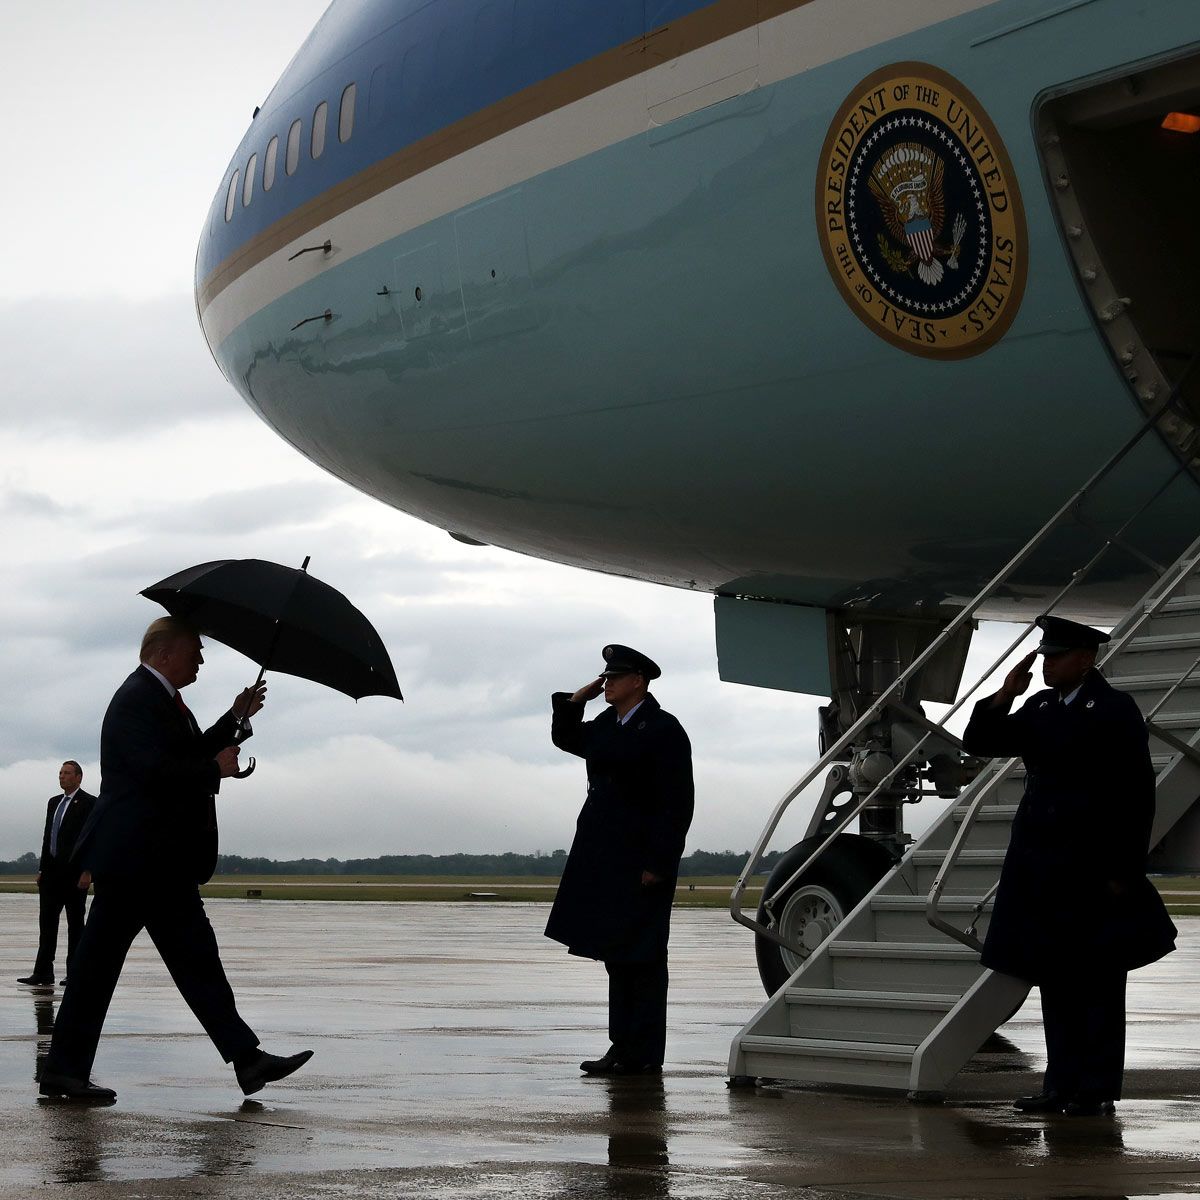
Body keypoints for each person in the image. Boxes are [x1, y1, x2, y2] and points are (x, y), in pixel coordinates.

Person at [39, 616, 313, 1102]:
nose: (201, 660)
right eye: (195, 652)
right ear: (163, 654)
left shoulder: (159, 700)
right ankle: (66, 1070)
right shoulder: (136, 699)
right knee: (116, 968)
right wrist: (213, 769)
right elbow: (151, 771)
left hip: (153, 860)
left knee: (187, 963)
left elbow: (184, 752)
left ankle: (246, 1060)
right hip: (139, 859)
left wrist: (236, 717)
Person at [963, 614, 1176, 1117]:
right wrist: (1004, 696)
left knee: (1099, 982)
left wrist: (1123, 870)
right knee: (1055, 980)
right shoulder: (1038, 706)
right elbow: (981, 742)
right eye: (1043, 657)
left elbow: (1135, 794)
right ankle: (1060, 1085)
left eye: (1054, 657)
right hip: (1042, 869)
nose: (1045, 665)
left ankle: (1095, 1089)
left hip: (1092, 868)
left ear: (1085, 658)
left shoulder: (1114, 709)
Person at [546, 644, 694, 1076]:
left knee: (644, 957)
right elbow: (567, 738)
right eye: (605, 677)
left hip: (643, 861)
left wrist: (659, 862)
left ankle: (644, 1053)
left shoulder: (663, 729)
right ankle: (623, 1047)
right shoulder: (607, 723)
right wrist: (575, 702)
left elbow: (677, 802)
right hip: (606, 858)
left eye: (615, 678)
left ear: (638, 682)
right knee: (617, 956)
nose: (607, 683)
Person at [17, 762, 96, 987]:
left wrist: (88, 871)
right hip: (51, 875)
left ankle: (75, 973)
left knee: (75, 926)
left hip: (74, 875)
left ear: (79, 777)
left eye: (67, 773)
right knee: (47, 925)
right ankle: (43, 972)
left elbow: (92, 838)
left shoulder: (89, 803)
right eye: (60, 773)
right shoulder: (54, 802)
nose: (62, 777)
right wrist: (42, 869)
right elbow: (47, 837)